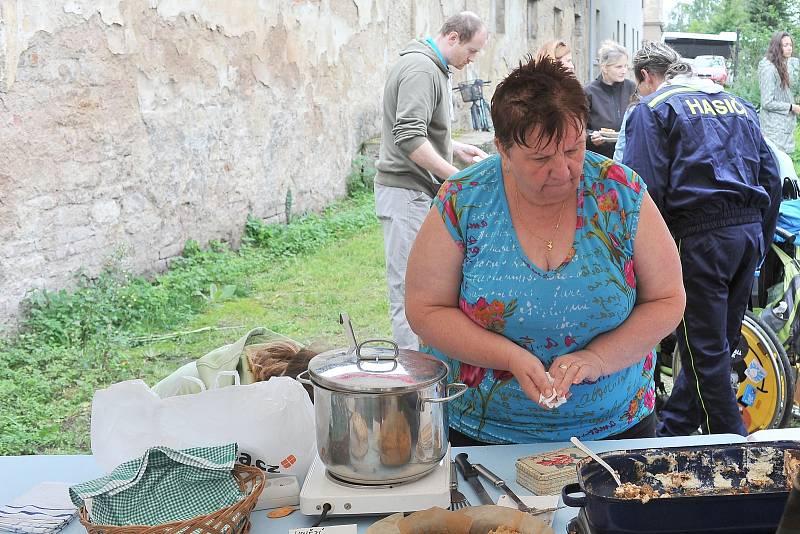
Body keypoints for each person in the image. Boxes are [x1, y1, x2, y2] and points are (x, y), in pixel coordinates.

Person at [404, 57, 685, 444]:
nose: (563, 170)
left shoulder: (621, 193)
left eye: (573, 149)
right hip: (485, 437)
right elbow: (426, 309)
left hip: (617, 429)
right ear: (502, 148)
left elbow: (668, 299)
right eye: (540, 158)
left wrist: (598, 359)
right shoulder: (464, 200)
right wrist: (509, 357)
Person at [623, 41, 782, 437]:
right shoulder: (738, 105)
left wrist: (642, 261)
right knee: (713, 351)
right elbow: (773, 177)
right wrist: (759, 243)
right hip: (745, 234)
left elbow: (643, 191)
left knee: (705, 354)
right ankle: (674, 433)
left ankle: (735, 455)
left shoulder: (653, 109)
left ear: (649, 77)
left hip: (698, 237)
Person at [374, 12, 489, 351]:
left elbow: (418, 128)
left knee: (429, 285)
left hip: (417, 193)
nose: (472, 61)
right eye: (471, 51)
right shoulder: (421, 69)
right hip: (404, 192)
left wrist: (452, 147)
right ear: (452, 37)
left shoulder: (435, 68)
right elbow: (408, 136)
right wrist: (457, 177)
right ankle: (414, 381)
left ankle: (427, 368)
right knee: (410, 291)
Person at [585, 40, 636, 159]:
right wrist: (591, 136)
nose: (624, 71)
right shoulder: (588, 92)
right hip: (599, 158)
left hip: (627, 156)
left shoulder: (632, 88)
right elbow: (579, 128)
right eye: (618, 67)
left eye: (625, 66)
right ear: (604, 67)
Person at [759, 31, 800, 154]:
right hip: (773, 130)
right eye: (785, 45)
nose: (789, 48)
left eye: (790, 45)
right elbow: (767, 102)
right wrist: (792, 107)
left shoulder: (785, 64)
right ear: (777, 47)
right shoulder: (769, 69)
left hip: (784, 128)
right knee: (775, 166)